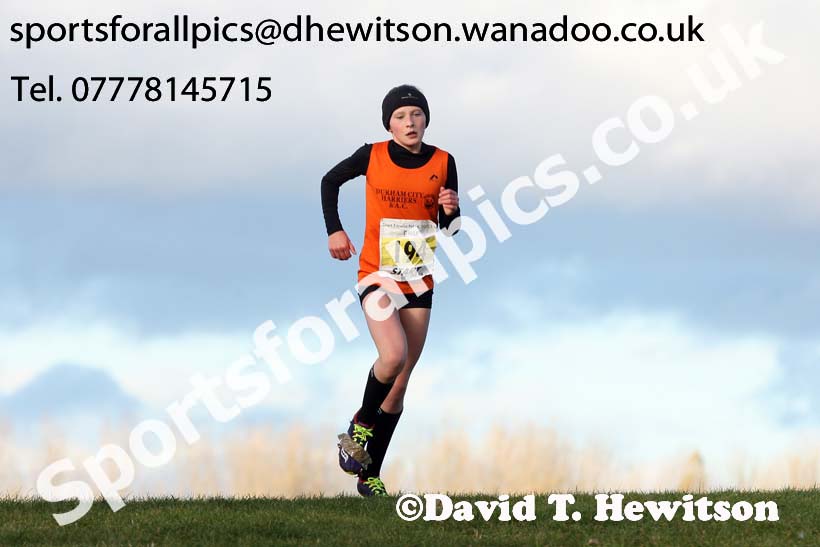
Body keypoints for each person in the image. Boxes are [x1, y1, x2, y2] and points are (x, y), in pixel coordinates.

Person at [320, 84, 461, 497]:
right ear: (389, 124)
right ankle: (361, 424)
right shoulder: (373, 155)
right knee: (393, 356)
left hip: (418, 279)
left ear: (425, 119)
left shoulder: (444, 161)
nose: (410, 122)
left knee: (400, 384)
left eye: (416, 115)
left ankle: (369, 477)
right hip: (377, 276)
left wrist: (450, 209)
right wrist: (335, 230)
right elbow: (329, 181)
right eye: (400, 117)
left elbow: (450, 228)